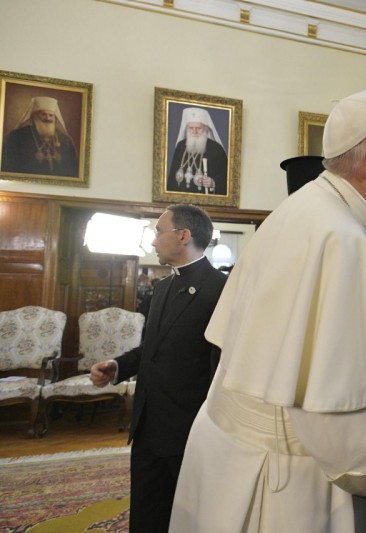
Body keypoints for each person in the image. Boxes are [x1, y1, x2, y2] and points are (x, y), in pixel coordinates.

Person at [169, 90, 366, 532]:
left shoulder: (306, 209)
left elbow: (321, 317)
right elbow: (344, 431)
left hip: (228, 452)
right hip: (284, 483)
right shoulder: (341, 236)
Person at [89, 204, 227, 533]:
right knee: (147, 514)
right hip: (148, 424)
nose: (153, 241)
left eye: (158, 232)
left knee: (194, 520)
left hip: (189, 430)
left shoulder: (221, 290)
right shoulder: (162, 287)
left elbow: (223, 365)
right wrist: (117, 366)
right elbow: (151, 348)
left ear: (183, 236)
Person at [1, 96, 79, 176]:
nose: (47, 118)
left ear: (55, 118)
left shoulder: (65, 140)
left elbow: (73, 168)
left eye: (51, 115)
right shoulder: (16, 136)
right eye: (43, 114)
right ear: (34, 116)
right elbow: (8, 166)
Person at [166, 107, 228, 195]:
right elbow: (172, 179)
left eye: (199, 128)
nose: (194, 132)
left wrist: (213, 183)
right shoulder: (180, 146)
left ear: (206, 129)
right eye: (191, 128)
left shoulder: (216, 149)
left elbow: (226, 181)